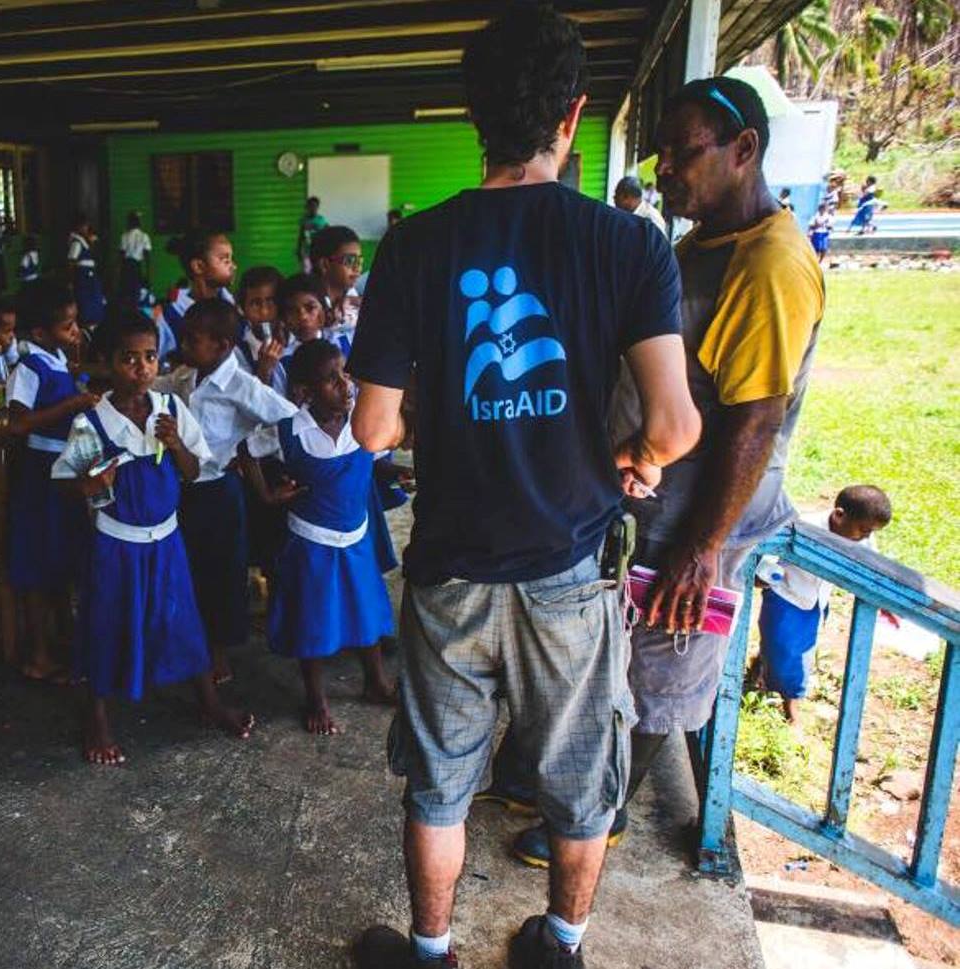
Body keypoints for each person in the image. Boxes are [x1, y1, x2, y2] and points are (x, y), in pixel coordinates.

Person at [345, 6, 700, 967]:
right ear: (574, 115)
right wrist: (644, 461)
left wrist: (437, 421)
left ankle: (429, 951)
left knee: (439, 783)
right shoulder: (629, 246)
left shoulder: (412, 249)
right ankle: (562, 944)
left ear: (473, 117)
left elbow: (373, 427)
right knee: (580, 779)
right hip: (572, 571)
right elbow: (673, 423)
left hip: (451, 569)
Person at [510, 76, 825, 877]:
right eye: (662, 157)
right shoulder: (697, 247)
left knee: (665, 661)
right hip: (656, 494)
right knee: (626, 650)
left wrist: (701, 544)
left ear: (743, 150)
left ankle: (606, 815)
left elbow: (754, 417)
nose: (666, 173)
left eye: (683, 155)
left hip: (701, 513)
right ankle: (582, 781)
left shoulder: (771, 263)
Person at [52, 314, 255, 764]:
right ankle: (97, 717)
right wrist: (90, 483)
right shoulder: (94, 422)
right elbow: (66, 483)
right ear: (106, 363)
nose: (141, 368)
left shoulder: (170, 410)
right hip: (114, 544)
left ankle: (208, 700)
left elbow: (194, 471)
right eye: (128, 359)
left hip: (166, 541)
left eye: (149, 357)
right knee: (106, 622)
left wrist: (178, 444)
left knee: (183, 618)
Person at [241, 339, 395, 735]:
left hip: (356, 538)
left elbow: (375, 458)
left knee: (366, 612)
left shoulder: (362, 420)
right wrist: (265, 493)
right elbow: (246, 449)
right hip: (312, 543)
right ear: (305, 392)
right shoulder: (290, 430)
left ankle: (375, 680)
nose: (344, 385)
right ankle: (316, 697)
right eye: (330, 380)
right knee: (313, 620)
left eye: (345, 373)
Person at [156, 298, 296, 684]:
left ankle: (217, 653)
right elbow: (159, 385)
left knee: (221, 574)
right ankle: (185, 644)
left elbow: (290, 420)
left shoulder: (241, 385)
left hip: (219, 493)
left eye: (192, 340)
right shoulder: (187, 375)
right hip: (181, 491)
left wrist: (250, 447)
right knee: (186, 569)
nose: (183, 346)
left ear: (222, 346)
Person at [5, 280, 97, 683]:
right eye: (67, 326)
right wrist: (71, 403)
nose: (75, 332)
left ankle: (63, 639)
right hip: (41, 474)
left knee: (61, 560)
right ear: (40, 333)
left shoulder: (56, 358)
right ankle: (38, 655)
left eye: (75, 323)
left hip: (65, 469)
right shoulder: (27, 367)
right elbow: (17, 424)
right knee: (39, 566)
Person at [756, 486, 891, 720]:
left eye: (871, 532)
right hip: (786, 597)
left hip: (817, 602)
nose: (867, 537)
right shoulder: (803, 526)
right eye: (864, 530)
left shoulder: (862, 539)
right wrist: (764, 575)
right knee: (787, 649)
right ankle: (792, 707)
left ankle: (764, 667)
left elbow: (872, 566)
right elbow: (772, 552)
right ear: (839, 515)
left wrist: (884, 600)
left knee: (795, 649)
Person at [161, 228, 237, 343]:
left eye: (231, 259)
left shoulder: (234, 306)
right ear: (198, 266)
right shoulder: (171, 317)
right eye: (225, 260)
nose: (233, 266)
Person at [233, 265, 286, 388]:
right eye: (255, 303)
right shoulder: (238, 353)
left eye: (271, 301)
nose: (264, 312)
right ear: (242, 309)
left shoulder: (296, 340)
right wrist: (264, 372)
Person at [310, 225, 363, 333]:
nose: (357, 267)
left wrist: (354, 301)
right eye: (350, 260)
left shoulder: (351, 294)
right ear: (325, 265)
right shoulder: (308, 303)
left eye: (359, 260)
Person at [66, 215, 106, 326]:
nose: (86, 229)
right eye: (85, 226)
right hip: (83, 277)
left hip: (90, 277)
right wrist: (70, 281)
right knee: (86, 302)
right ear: (79, 227)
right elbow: (71, 262)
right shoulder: (76, 243)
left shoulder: (84, 242)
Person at [118, 211, 152, 300]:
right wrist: (148, 273)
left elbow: (121, 255)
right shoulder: (144, 236)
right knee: (137, 291)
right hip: (137, 266)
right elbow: (147, 256)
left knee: (126, 291)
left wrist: (118, 272)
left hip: (126, 266)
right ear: (138, 223)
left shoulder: (124, 236)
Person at [297, 196, 328, 273]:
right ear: (307, 207)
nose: (313, 209)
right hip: (307, 250)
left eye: (315, 206)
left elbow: (328, 234)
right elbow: (301, 236)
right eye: (310, 206)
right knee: (307, 271)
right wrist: (298, 249)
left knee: (319, 271)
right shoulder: (303, 220)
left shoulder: (321, 220)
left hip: (319, 250)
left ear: (318, 207)